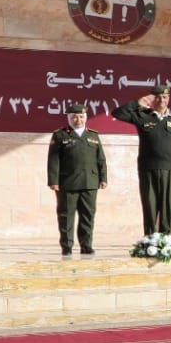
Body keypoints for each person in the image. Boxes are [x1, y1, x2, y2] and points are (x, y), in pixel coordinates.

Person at [112, 85, 171, 236]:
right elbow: (117, 113)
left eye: (164, 97)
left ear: (169, 98)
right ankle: (149, 238)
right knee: (150, 205)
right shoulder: (142, 115)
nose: (161, 100)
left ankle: (165, 239)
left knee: (167, 205)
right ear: (152, 99)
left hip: (170, 168)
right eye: (157, 97)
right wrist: (138, 103)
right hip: (148, 167)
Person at [46, 102, 107, 256]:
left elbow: (101, 159)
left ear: (85, 117)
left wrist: (103, 178)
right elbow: (53, 160)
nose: (78, 120)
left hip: (89, 182)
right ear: (69, 118)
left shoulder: (93, 135)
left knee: (88, 216)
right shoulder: (60, 135)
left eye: (81, 117)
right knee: (66, 216)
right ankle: (67, 246)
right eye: (74, 117)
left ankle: (86, 245)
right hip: (67, 183)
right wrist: (53, 181)